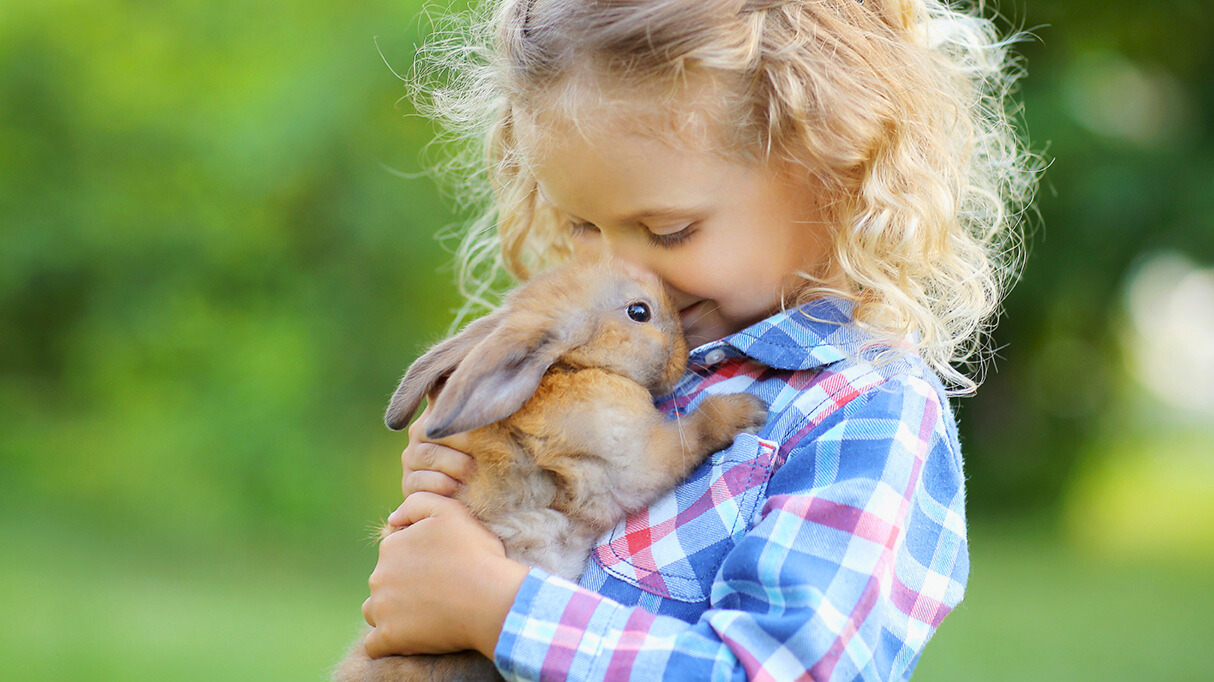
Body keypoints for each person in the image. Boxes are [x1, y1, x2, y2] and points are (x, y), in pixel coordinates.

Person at [359, 0, 1036, 679]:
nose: (622, 271)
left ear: (831, 165)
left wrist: (497, 609)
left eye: (669, 230)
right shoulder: (619, 356)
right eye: (582, 227)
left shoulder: (864, 415)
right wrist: (471, 479)